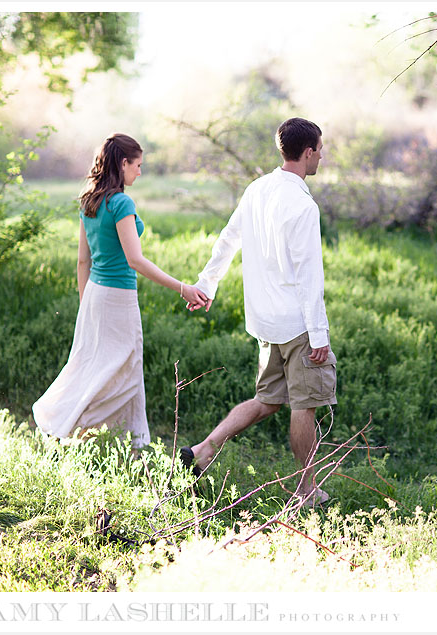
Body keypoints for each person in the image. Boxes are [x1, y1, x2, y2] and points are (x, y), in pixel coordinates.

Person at [181, 117, 336, 507]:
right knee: (304, 406)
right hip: (297, 325)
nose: (321, 155)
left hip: (266, 322)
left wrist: (207, 284)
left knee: (267, 401)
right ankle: (306, 491)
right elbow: (308, 276)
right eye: (320, 149)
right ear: (307, 152)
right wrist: (319, 337)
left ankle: (203, 450)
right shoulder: (302, 204)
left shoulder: (257, 189)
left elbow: (228, 239)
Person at [33, 133, 208, 450]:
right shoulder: (121, 202)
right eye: (137, 165)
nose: (140, 172)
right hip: (117, 298)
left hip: (96, 296)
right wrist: (183, 287)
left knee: (97, 365)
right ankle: (70, 429)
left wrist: (88, 304)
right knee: (122, 372)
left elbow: (82, 261)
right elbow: (135, 260)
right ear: (123, 163)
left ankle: (129, 445)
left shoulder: (90, 199)